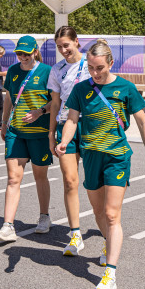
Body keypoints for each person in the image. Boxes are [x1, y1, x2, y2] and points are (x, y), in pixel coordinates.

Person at [56, 39, 145, 289]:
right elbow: (71, 119)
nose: (95, 72)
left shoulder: (125, 88)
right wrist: (64, 142)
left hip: (117, 156)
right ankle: (107, 242)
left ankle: (109, 275)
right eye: (90, 67)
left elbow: (143, 123)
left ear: (111, 63)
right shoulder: (81, 89)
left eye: (99, 67)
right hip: (91, 156)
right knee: (98, 211)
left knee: (112, 215)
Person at [0, 35, 53, 242]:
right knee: (12, 178)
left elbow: (57, 101)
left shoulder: (47, 72)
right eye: (19, 53)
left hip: (39, 134)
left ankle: (44, 216)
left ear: (35, 52)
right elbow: (9, 96)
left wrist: (40, 111)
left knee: (40, 177)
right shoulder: (13, 71)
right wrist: (4, 121)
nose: (23, 57)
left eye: (26, 53)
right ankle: (8, 225)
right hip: (16, 132)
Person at [48, 26, 91, 256]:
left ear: (77, 42)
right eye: (59, 47)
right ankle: (75, 235)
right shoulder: (57, 69)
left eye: (66, 44)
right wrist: (51, 132)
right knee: (69, 181)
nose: (63, 50)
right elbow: (55, 104)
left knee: (96, 184)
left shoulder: (90, 63)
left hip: (91, 125)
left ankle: (106, 233)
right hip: (66, 125)